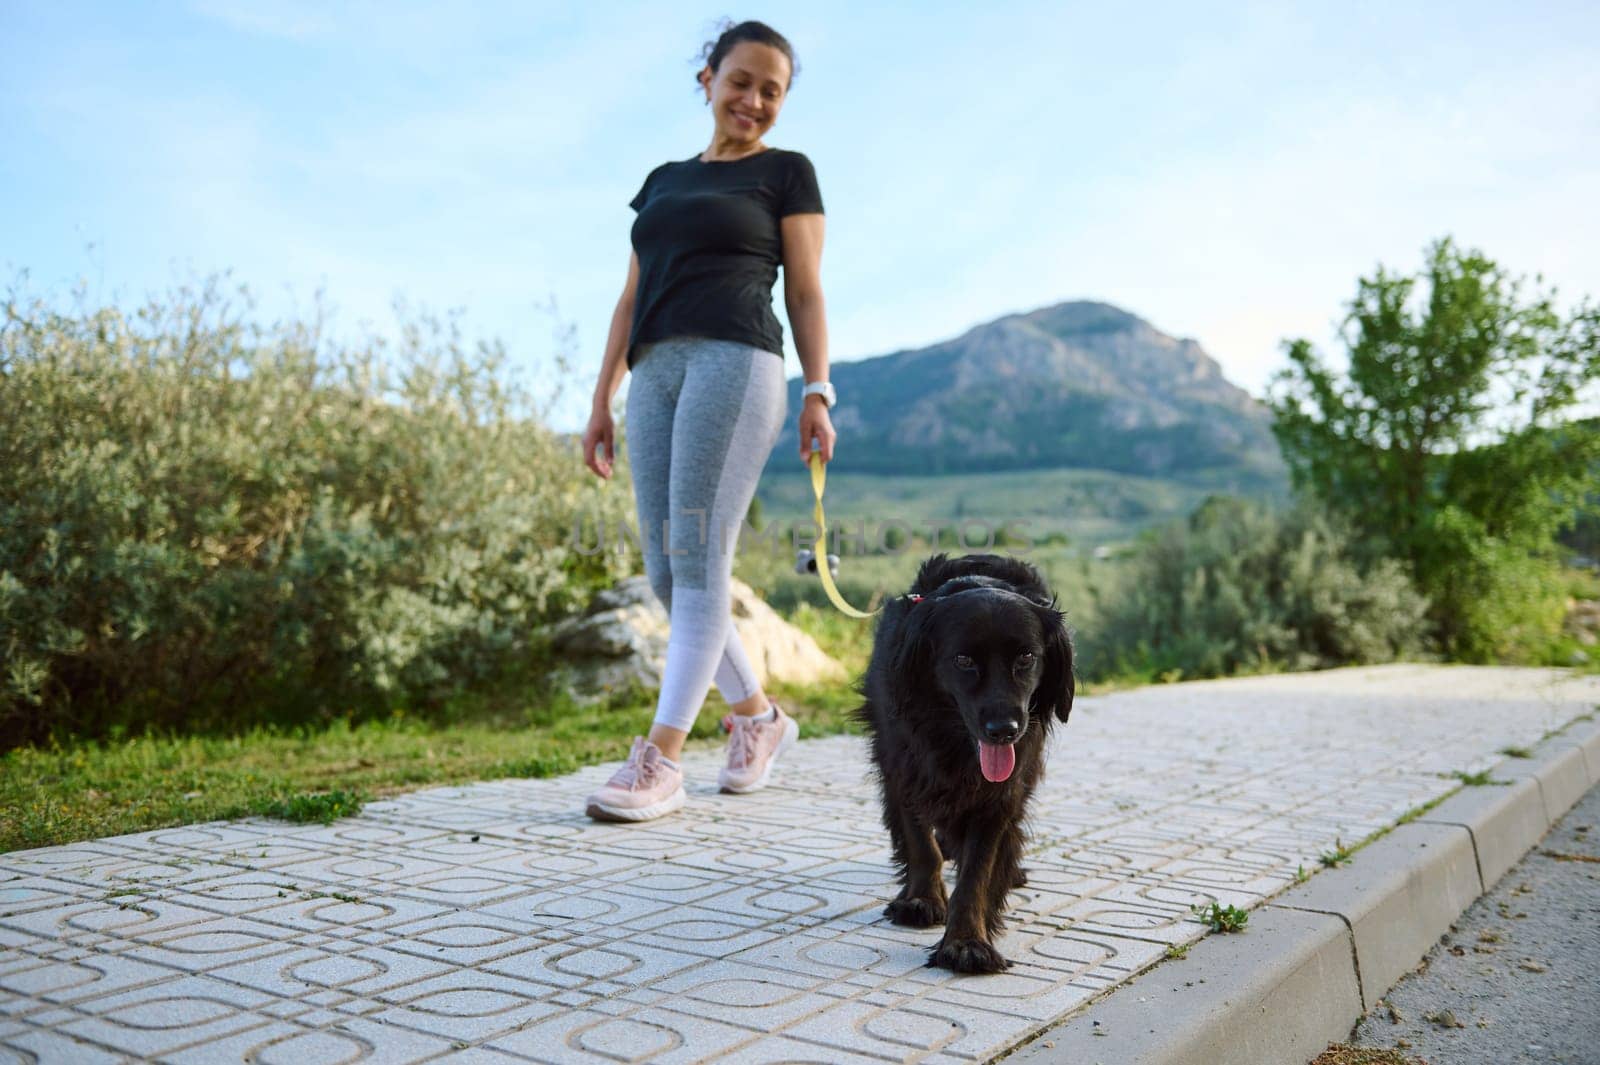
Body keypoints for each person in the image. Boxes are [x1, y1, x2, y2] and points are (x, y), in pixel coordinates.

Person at [579, 19, 837, 822]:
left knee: (698, 560)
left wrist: (819, 388)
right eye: (741, 81)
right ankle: (758, 718)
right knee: (667, 570)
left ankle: (660, 758)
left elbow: (805, 290)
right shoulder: (661, 181)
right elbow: (630, 296)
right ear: (708, 79)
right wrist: (601, 400)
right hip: (655, 369)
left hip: (738, 363)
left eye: (772, 90)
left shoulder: (787, 174)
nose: (753, 99)